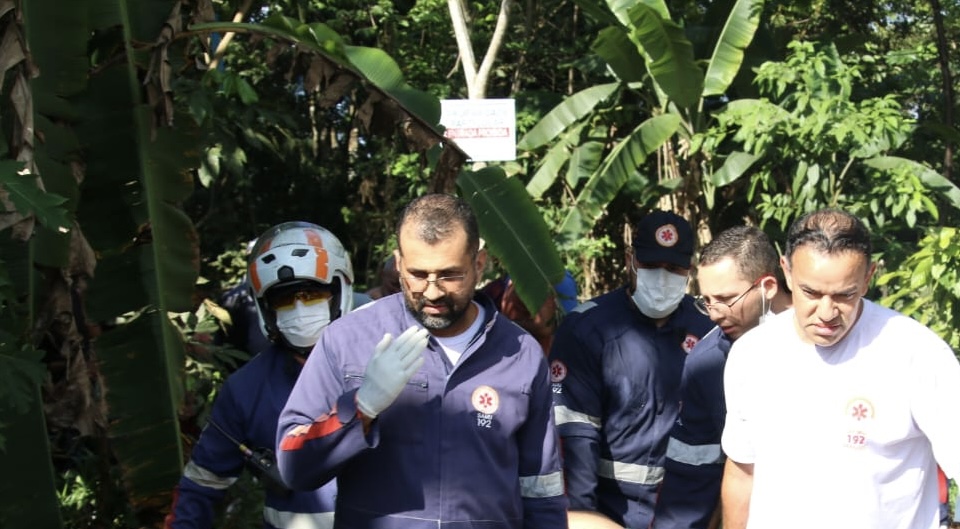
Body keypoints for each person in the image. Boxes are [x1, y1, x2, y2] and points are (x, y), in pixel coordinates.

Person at [276, 193, 567, 528]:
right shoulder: (347, 340)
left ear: (479, 263)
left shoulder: (521, 354)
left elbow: (541, 489)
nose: (432, 291)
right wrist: (362, 408)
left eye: (449, 275)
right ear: (398, 263)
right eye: (417, 274)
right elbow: (294, 466)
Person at [720, 209, 960, 529]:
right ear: (786, 273)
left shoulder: (917, 355)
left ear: (867, 278)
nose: (827, 312)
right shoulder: (752, 354)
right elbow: (741, 472)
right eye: (811, 293)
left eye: (845, 294)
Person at [166, 222, 358, 529]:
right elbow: (201, 485)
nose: (298, 308)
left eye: (311, 295)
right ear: (266, 309)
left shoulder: (386, 364)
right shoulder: (246, 389)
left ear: (338, 291)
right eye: (284, 299)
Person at [549, 210, 714, 529]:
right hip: (610, 512)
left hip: (686, 513)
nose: (662, 277)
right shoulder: (588, 329)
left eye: (674, 268)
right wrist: (583, 517)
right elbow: (574, 436)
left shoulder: (708, 329)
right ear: (630, 260)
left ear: (690, 271)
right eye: (651, 266)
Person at [652, 226, 790, 529]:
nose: (714, 314)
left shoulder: (830, 339)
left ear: (767, 286)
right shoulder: (708, 361)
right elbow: (691, 470)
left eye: (726, 299)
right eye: (707, 300)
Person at [481, 270, 579, 353]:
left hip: (543, 356)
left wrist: (504, 324)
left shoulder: (552, 278)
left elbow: (545, 327)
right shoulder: (499, 286)